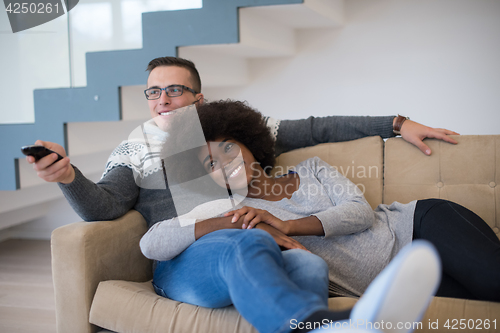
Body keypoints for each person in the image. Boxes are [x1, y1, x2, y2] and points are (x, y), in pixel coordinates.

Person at [26, 56, 460, 229]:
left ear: (198, 97)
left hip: (260, 230)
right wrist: (67, 176)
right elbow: (105, 208)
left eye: (174, 90)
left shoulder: (230, 131)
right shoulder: (136, 146)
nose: (163, 100)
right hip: (195, 243)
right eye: (153, 92)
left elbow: (316, 128)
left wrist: (396, 122)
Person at [141, 100, 500, 304]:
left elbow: (360, 213)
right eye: (210, 164)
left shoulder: (311, 168)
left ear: (248, 140)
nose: (225, 163)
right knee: (482, 304)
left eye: (228, 148)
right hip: (390, 282)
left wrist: (285, 224)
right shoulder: (229, 212)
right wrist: (221, 223)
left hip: (422, 225)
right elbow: (152, 242)